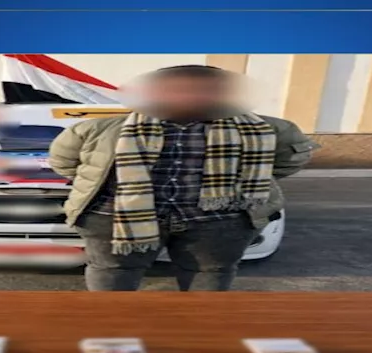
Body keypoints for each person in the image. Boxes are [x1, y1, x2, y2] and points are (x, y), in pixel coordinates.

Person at [49, 65, 319, 292]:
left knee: (209, 278)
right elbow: (64, 163)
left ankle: (197, 330)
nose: (188, 97)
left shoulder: (270, 129)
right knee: (113, 275)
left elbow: (287, 161)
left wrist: (241, 185)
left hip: (219, 221)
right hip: (115, 219)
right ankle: (110, 329)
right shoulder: (97, 129)